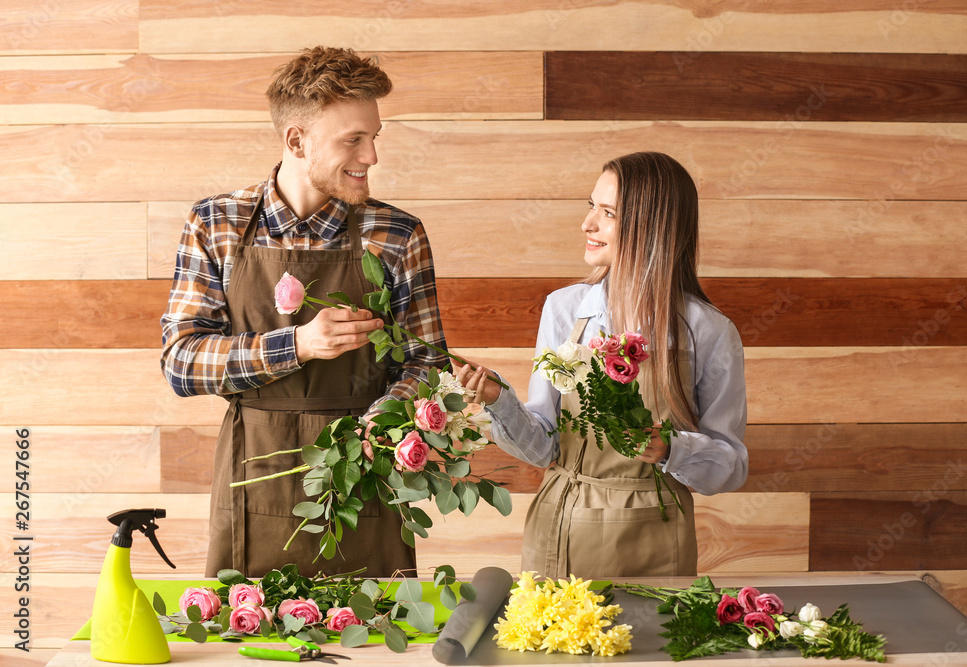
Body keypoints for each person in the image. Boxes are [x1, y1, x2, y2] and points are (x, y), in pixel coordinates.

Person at [160, 47, 448, 578]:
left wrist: (379, 429)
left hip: (364, 481)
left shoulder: (398, 234)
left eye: (374, 137)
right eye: (353, 140)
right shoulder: (216, 223)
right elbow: (180, 362)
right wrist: (297, 344)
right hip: (255, 467)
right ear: (296, 140)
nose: (372, 157)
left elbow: (427, 365)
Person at [457, 152, 748, 579]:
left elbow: (732, 467)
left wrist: (672, 449)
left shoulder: (709, 331)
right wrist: (497, 400)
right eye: (590, 206)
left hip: (658, 538)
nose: (587, 224)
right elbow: (543, 449)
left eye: (607, 212)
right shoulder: (564, 310)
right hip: (563, 529)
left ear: (652, 228)